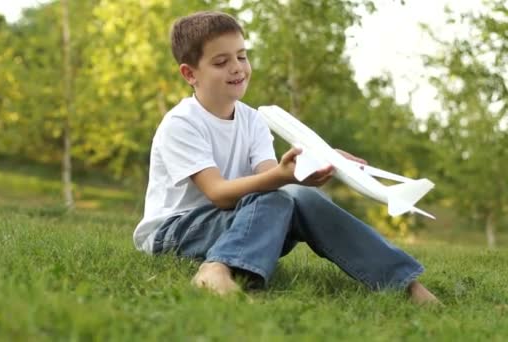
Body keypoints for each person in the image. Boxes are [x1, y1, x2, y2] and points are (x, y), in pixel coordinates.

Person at [133, 10, 439, 304]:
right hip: (176, 231)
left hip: (243, 223)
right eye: (221, 62)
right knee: (278, 198)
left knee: (296, 197)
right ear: (190, 74)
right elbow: (218, 194)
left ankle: (403, 282)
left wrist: (314, 166)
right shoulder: (182, 123)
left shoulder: (252, 120)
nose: (237, 68)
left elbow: (273, 182)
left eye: (242, 56)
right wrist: (283, 177)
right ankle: (215, 271)